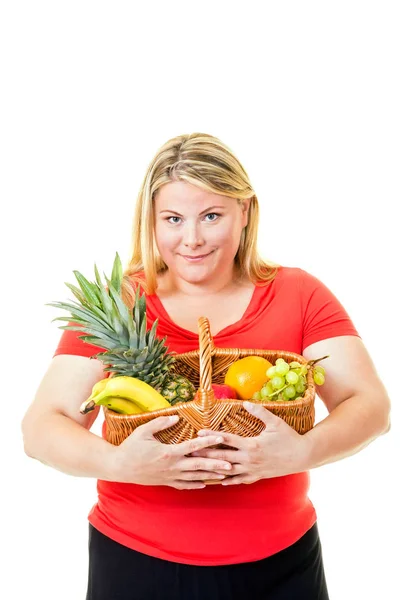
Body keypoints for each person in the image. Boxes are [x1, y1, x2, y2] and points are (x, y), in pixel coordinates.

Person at [21, 132, 391, 600]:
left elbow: (371, 405)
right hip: (134, 563)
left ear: (246, 213)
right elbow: (40, 429)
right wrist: (119, 462)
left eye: (211, 216)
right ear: (150, 222)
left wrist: (300, 452)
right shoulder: (120, 304)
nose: (191, 239)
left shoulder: (299, 294)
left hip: (281, 564)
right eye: (172, 219)